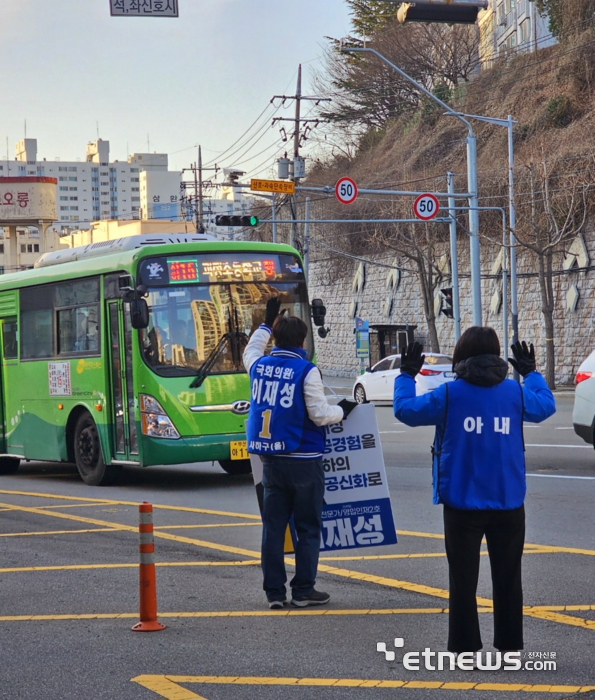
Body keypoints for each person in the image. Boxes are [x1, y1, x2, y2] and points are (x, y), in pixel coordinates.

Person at [393, 328, 555, 655]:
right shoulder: (514, 392)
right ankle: (509, 646)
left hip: (461, 501)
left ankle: (465, 648)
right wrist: (531, 373)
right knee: (508, 578)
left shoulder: (450, 394)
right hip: (508, 500)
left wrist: (406, 376)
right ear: (496, 354)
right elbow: (546, 406)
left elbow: (405, 410)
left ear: (461, 355)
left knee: (463, 581)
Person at [243, 297, 356, 609]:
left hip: (271, 461)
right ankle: (304, 590)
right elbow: (320, 414)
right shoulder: (306, 370)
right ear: (303, 341)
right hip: (305, 460)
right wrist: (342, 411)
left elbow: (251, 350)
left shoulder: (258, 366)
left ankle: (274, 594)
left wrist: (265, 324)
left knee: (273, 527)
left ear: (276, 340)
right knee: (307, 527)